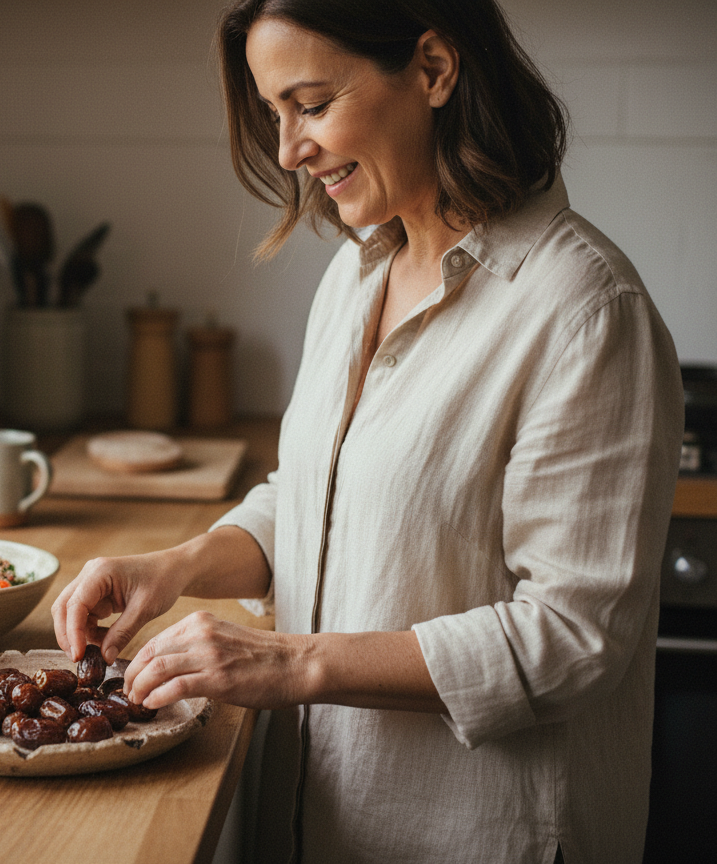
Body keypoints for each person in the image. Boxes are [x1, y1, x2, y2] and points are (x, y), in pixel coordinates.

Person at [52, 1, 683, 862]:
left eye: (310, 104)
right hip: (324, 816)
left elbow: (572, 641)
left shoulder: (584, 310)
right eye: (274, 114)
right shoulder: (358, 273)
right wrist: (178, 567)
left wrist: (289, 664)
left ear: (432, 69)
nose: (288, 151)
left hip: (476, 834)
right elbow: (320, 493)